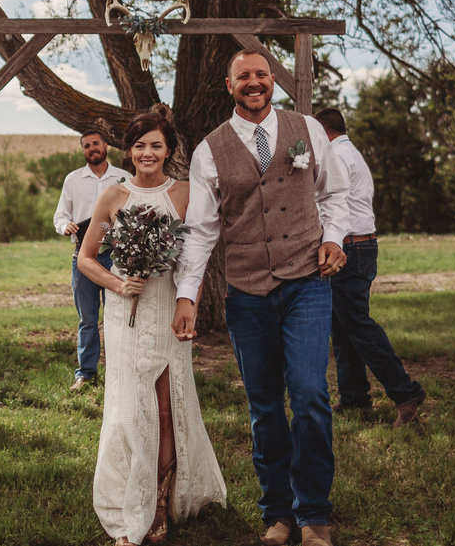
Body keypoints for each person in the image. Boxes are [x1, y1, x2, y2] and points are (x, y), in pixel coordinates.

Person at [172, 50, 350, 546]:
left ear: (273, 81)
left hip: (306, 281)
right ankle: (278, 514)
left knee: (311, 397)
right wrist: (187, 294)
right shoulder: (210, 150)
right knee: (266, 407)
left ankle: (314, 513)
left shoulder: (307, 129)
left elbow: (335, 195)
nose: (254, 83)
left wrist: (334, 237)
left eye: (262, 75)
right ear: (229, 86)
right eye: (244, 76)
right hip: (247, 291)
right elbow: (202, 230)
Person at [77, 110, 226, 546]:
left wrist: (190, 305)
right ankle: (130, 495)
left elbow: (195, 257)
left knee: (163, 408)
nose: (147, 153)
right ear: (129, 149)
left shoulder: (183, 194)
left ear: (169, 150)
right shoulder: (111, 198)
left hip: (168, 308)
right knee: (129, 408)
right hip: (125, 314)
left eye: (156, 145)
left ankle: (158, 500)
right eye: (140, 145)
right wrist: (118, 283)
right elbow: (87, 257)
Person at [313, 108, 425, 426]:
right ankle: (355, 398)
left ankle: (406, 393)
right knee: (342, 326)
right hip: (356, 245)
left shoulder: (336, 157)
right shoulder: (350, 153)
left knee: (357, 324)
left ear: (323, 132)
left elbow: (321, 202)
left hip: (350, 248)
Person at [53, 128, 128, 391]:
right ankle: (85, 373)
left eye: (95, 143)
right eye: (86, 145)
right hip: (84, 255)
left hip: (116, 256)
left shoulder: (124, 177)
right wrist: (66, 227)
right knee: (87, 318)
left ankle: (119, 372)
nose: (91, 148)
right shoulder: (73, 179)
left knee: (117, 315)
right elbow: (60, 215)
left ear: (106, 145)